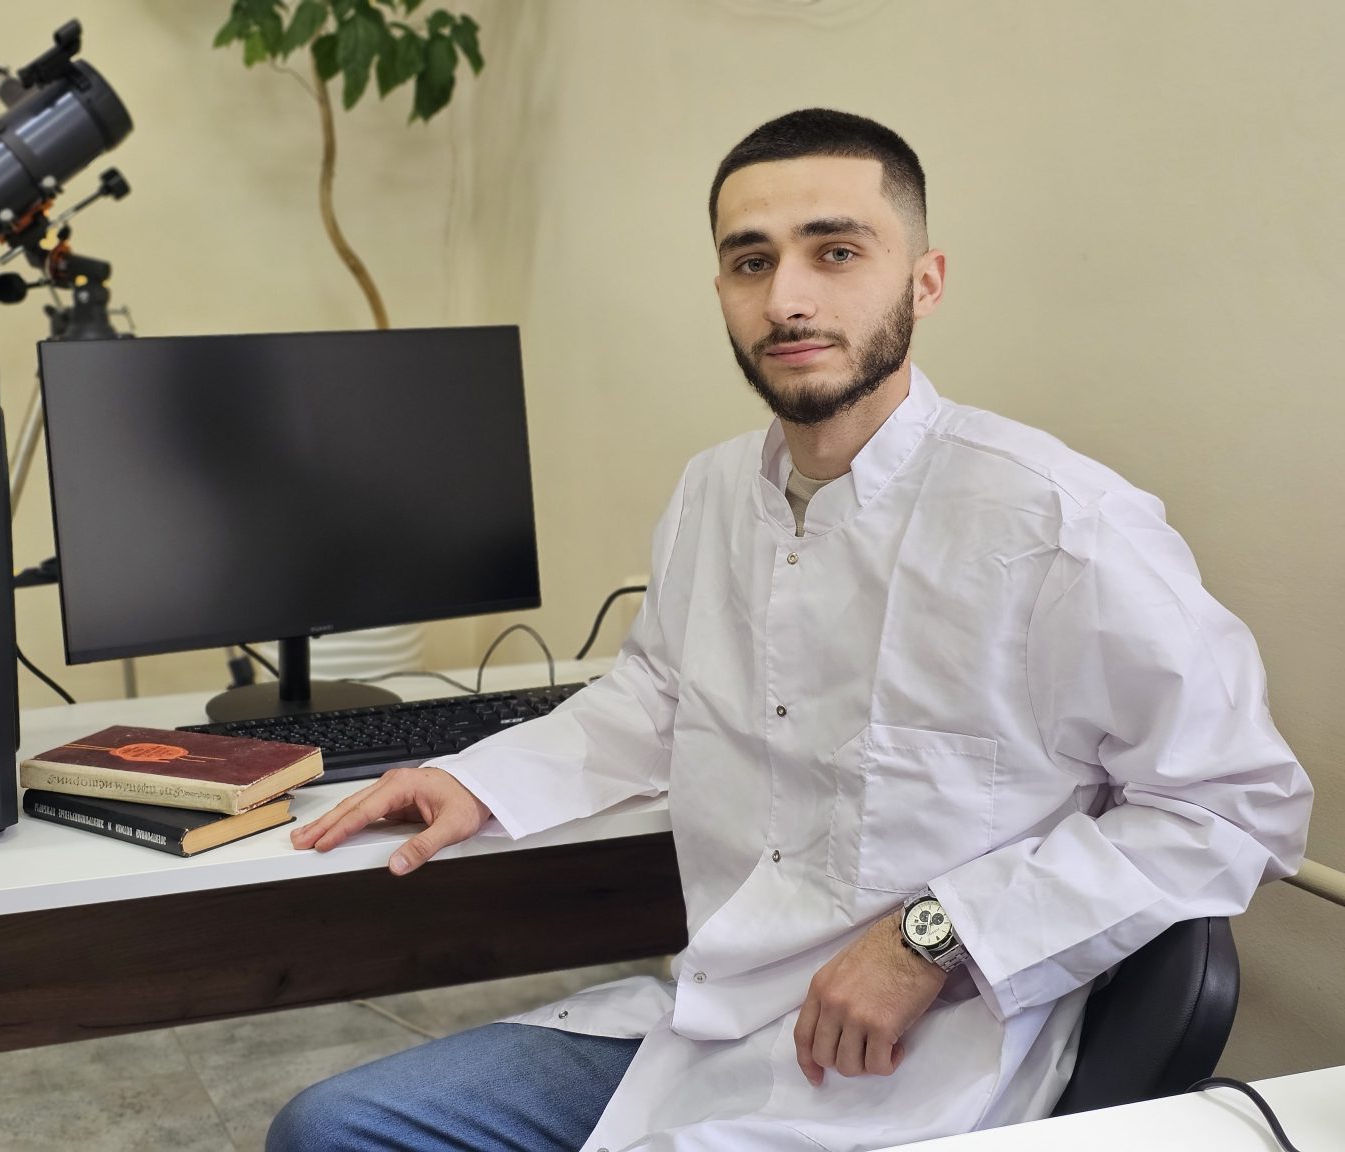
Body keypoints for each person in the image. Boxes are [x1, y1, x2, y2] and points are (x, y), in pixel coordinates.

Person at [266, 109, 1312, 1152]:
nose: (787, 299)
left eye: (837, 251)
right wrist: (480, 782)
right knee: (331, 1129)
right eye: (751, 261)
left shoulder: (1059, 522)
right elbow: (656, 696)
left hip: (915, 1068)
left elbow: (1236, 805)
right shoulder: (714, 491)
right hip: (713, 1020)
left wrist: (933, 936)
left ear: (925, 282)